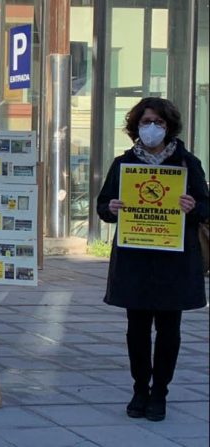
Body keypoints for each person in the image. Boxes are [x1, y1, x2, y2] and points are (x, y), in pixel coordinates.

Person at [96, 97, 208, 422]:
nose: (152, 128)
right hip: (136, 260)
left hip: (175, 262)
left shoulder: (188, 164)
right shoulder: (124, 164)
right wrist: (111, 209)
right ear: (136, 126)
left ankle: (160, 392)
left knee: (169, 329)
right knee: (137, 329)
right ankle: (139, 389)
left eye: (158, 123)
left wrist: (193, 207)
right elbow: (104, 206)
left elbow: (206, 207)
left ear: (169, 126)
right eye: (146, 122)